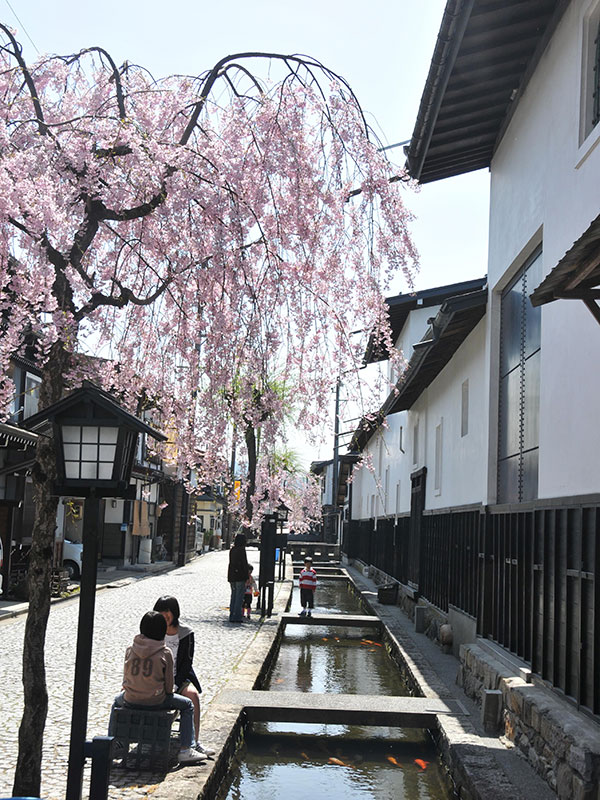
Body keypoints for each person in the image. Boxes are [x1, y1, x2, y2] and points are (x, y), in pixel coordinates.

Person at [108, 611, 205, 765]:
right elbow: (168, 687)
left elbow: (126, 678)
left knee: (115, 702)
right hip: (156, 700)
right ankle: (187, 748)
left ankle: (114, 743)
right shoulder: (165, 652)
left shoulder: (130, 649)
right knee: (187, 705)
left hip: (130, 698)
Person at [153, 595, 215, 757]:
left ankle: (193, 743)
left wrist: (174, 685)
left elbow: (186, 664)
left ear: (174, 612)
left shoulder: (186, 633)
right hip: (156, 679)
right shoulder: (153, 629)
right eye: (160, 612)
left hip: (179, 677)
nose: (164, 615)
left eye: (167, 611)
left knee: (192, 696)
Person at [228, 533, 249, 622]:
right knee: (239, 597)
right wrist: (247, 576)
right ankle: (237, 616)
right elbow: (244, 563)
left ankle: (232, 614)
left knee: (233, 595)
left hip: (232, 575)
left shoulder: (232, 549)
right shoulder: (241, 550)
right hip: (240, 575)